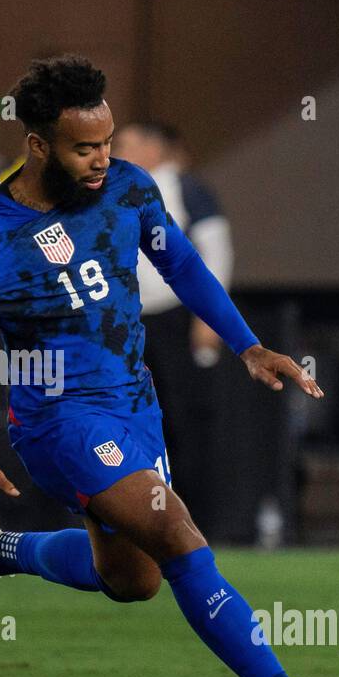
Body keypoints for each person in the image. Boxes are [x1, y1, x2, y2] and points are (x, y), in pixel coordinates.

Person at [0, 56, 339, 677]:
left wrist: (248, 346)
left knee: (135, 580)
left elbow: (180, 263)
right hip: (59, 421)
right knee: (179, 534)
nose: (101, 159)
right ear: (37, 146)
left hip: (134, 406)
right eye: (82, 147)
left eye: (107, 141)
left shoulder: (127, 188)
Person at [113, 120, 235, 532]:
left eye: (126, 144)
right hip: (125, 324)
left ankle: (195, 518)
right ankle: (135, 515)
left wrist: (208, 317)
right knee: (126, 419)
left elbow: (216, 252)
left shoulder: (187, 190)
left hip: (173, 320)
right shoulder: (114, 189)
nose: (116, 151)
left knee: (182, 418)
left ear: (154, 149)